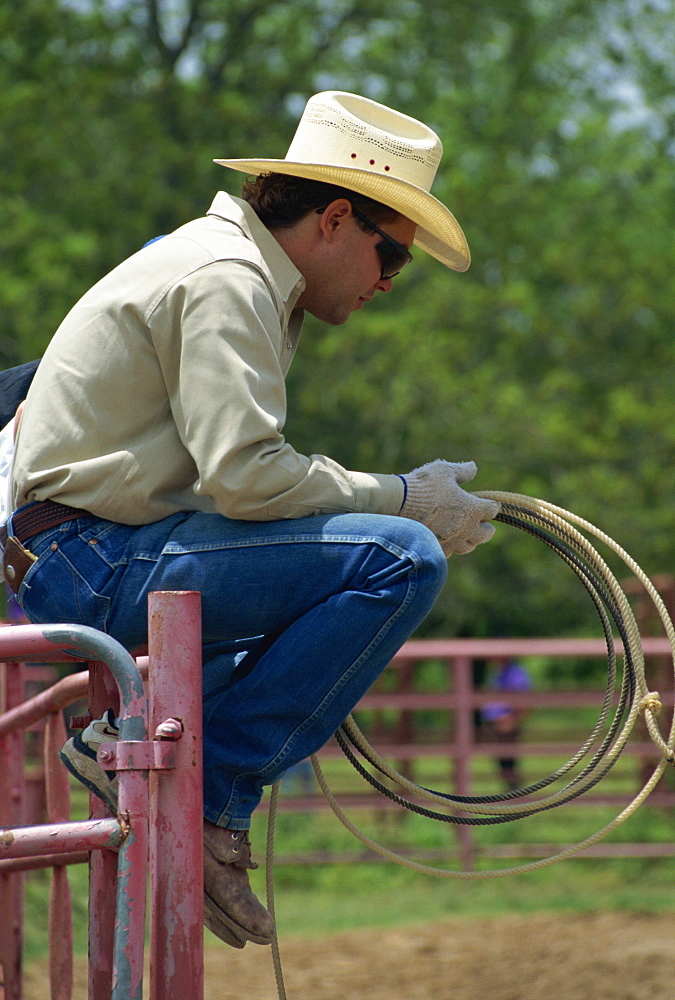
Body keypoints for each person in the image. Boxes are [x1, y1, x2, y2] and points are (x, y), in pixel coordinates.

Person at [4, 91, 500, 948]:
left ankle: (140, 751)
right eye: (393, 257)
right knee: (400, 560)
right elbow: (244, 478)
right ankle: (212, 796)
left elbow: (233, 479)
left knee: (366, 561)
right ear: (336, 219)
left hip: (86, 549)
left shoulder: (234, 271)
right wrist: (405, 497)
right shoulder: (229, 279)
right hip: (96, 557)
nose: (387, 282)